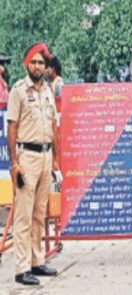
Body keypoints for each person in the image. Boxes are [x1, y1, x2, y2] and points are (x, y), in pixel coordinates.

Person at [7, 42, 59, 285]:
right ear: (26, 64)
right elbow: (12, 127)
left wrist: (56, 158)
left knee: (40, 213)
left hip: (46, 155)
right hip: (26, 156)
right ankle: (21, 267)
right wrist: (14, 164)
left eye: (41, 62)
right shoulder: (18, 91)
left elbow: (53, 126)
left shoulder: (48, 91)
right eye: (34, 62)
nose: (38, 66)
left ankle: (37, 261)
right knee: (24, 215)